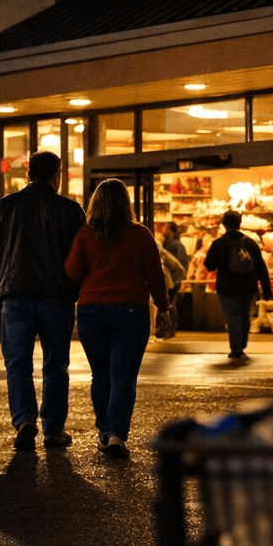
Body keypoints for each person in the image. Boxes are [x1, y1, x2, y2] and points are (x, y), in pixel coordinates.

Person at [0, 151, 86, 451]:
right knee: (56, 364)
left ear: (28, 174)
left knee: (18, 363)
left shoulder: (5, 206)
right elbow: (82, 257)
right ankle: (53, 428)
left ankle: (24, 420)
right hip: (57, 297)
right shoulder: (70, 210)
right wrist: (74, 288)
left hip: (15, 295)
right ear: (57, 176)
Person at [64, 179, 171, 459]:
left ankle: (104, 430)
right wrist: (163, 307)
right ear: (126, 203)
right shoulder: (140, 234)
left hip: (91, 310)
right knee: (124, 376)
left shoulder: (86, 234)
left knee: (100, 374)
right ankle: (116, 434)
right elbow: (155, 274)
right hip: (131, 310)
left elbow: (72, 271)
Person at [202, 209, 273, 361]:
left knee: (232, 316)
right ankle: (241, 345)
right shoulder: (250, 243)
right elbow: (261, 267)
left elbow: (209, 265)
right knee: (244, 315)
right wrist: (267, 289)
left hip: (227, 286)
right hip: (248, 286)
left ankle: (236, 348)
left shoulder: (219, 243)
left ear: (224, 224)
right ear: (240, 223)